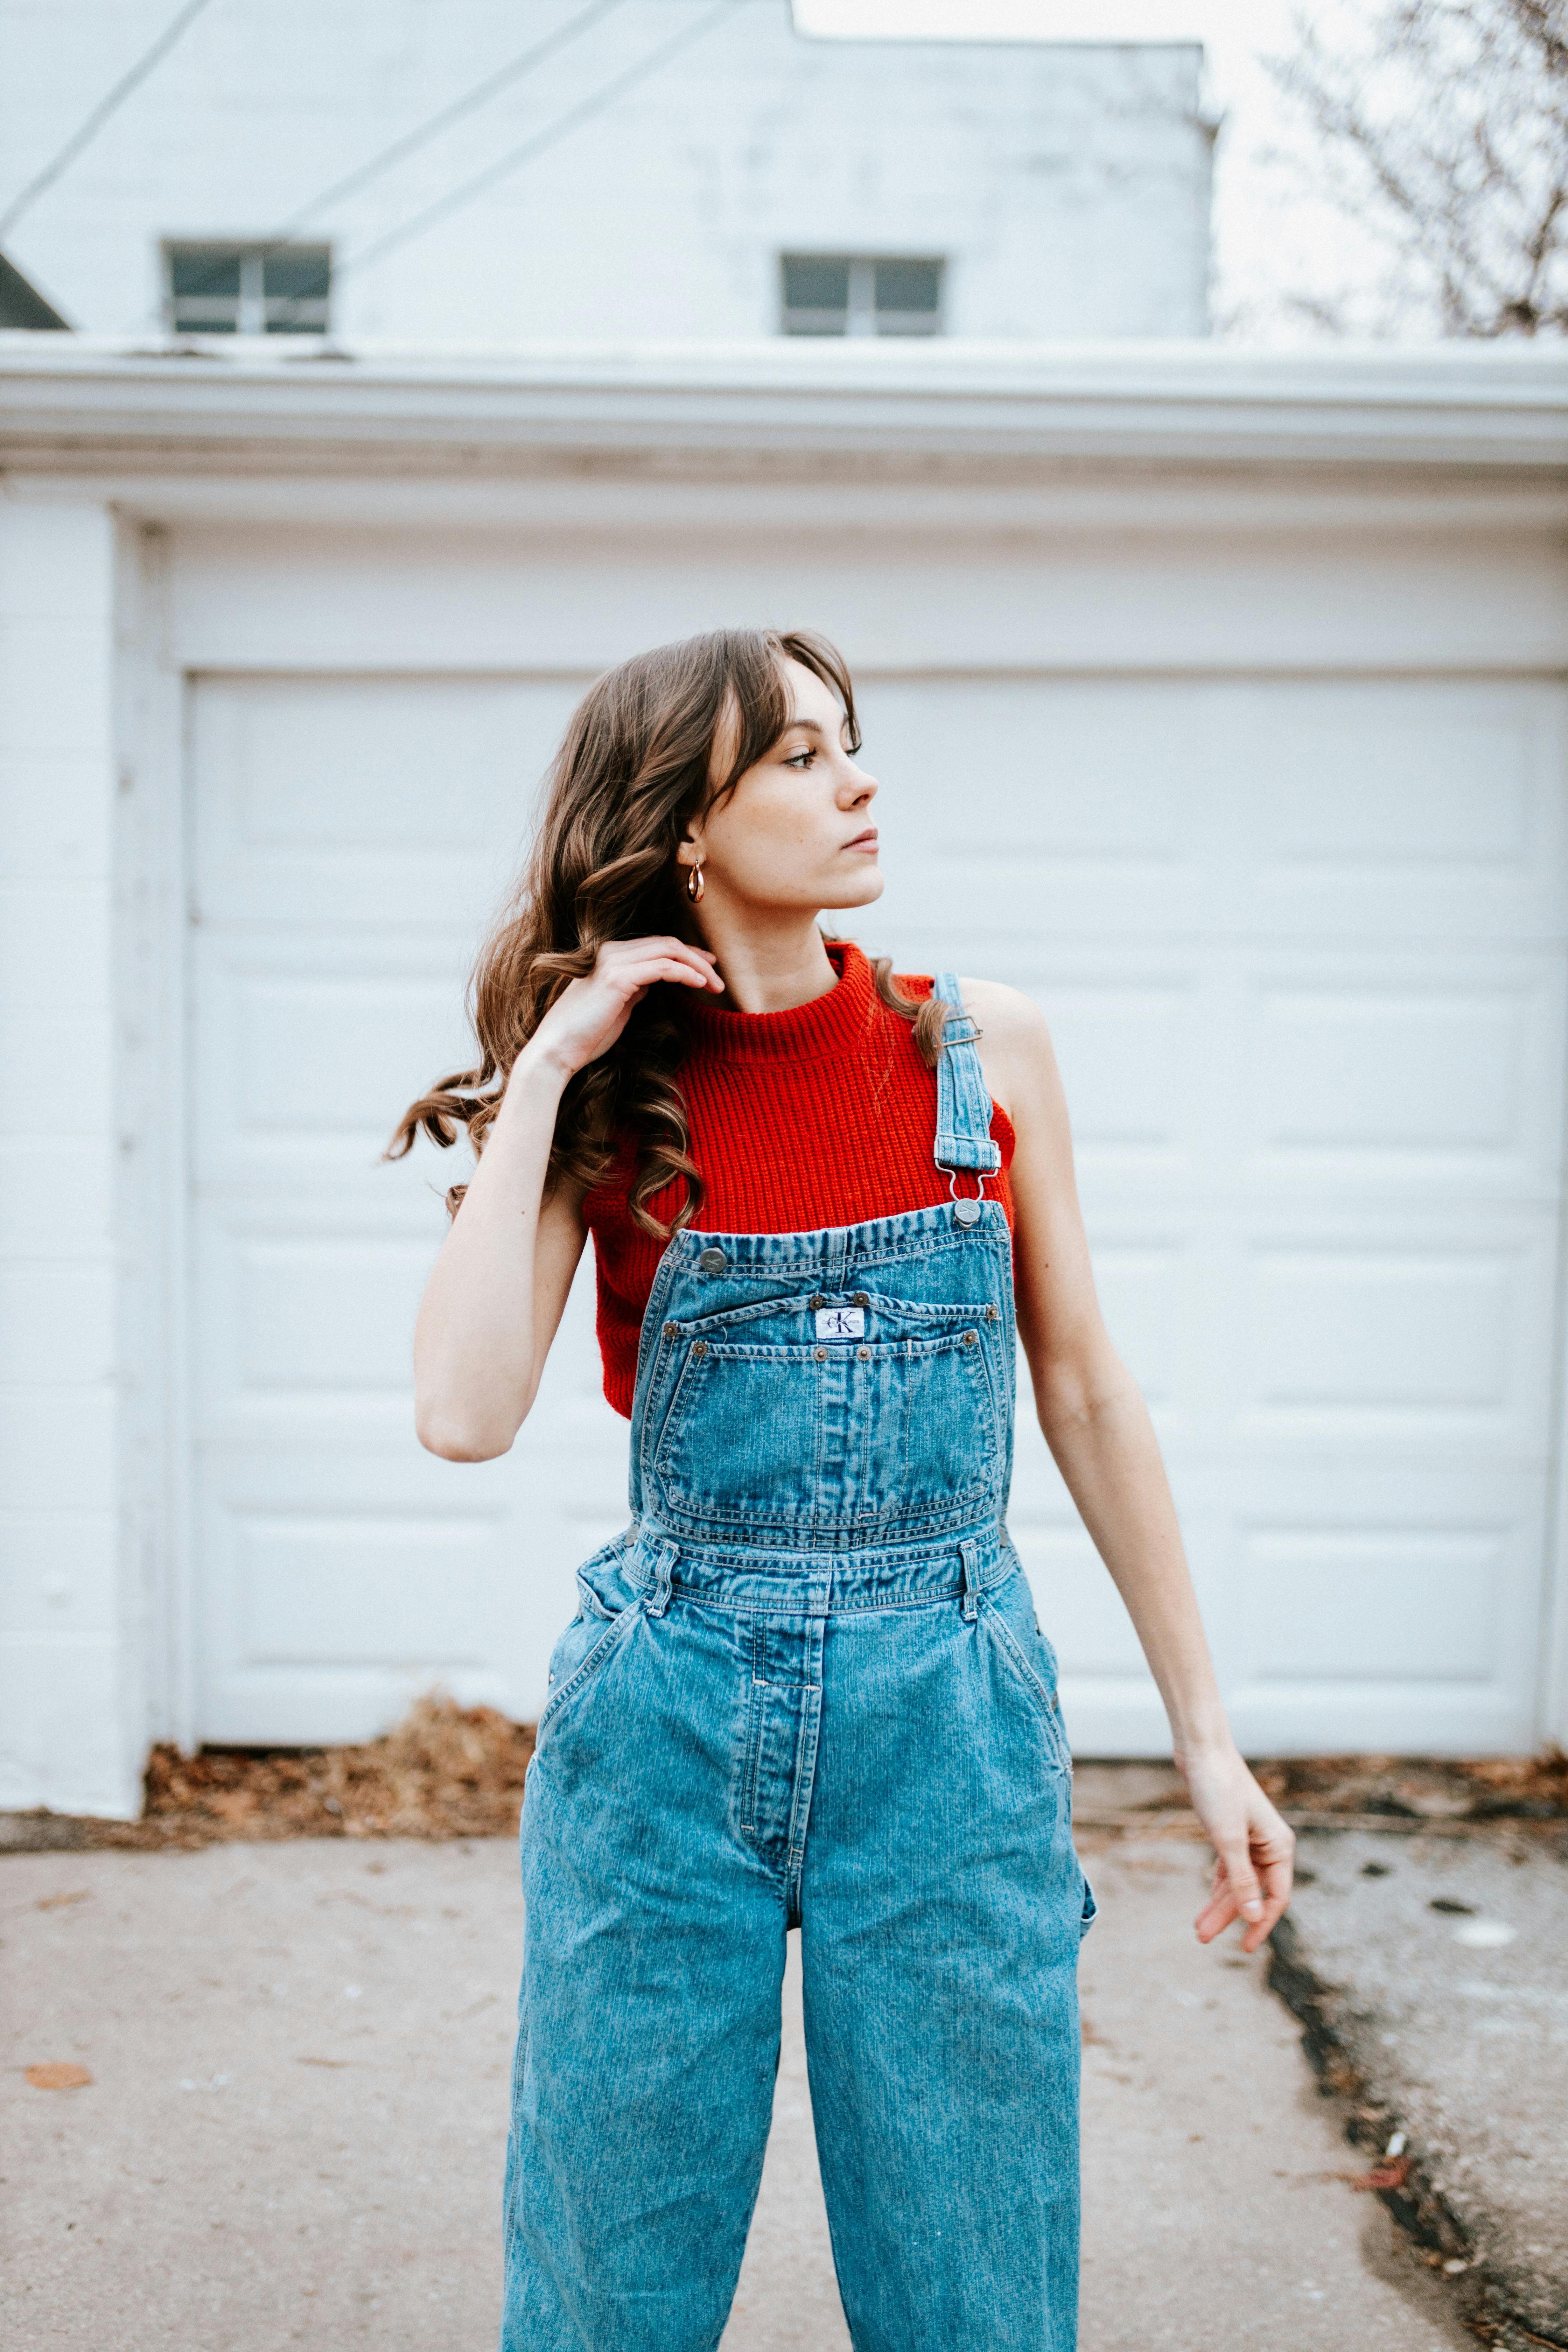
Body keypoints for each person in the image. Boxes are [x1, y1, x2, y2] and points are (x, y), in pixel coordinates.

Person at [392, 626, 1295, 2352]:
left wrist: (1203, 1732)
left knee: (974, 2279)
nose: (858, 780)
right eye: (799, 757)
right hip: (665, 1725)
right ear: (677, 827)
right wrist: (548, 1073)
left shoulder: (982, 1046)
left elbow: (1089, 1390)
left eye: (848, 742)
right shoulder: (612, 1096)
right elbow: (460, 1413)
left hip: (947, 1719)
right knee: (608, 2283)